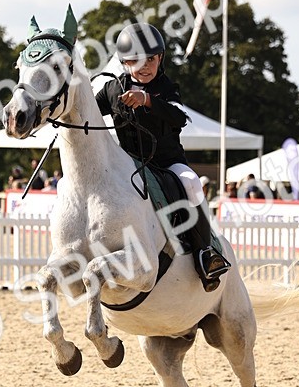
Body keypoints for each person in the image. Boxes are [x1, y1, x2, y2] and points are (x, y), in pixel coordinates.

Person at [93, 23, 230, 290]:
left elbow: (179, 116)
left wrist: (147, 100)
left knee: (191, 181)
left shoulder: (165, 87)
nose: (144, 66)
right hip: (128, 165)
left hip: (168, 163)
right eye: (135, 60)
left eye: (151, 59)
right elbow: (89, 114)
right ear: (123, 62)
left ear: (160, 59)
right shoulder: (111, 89)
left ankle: (206, 253)